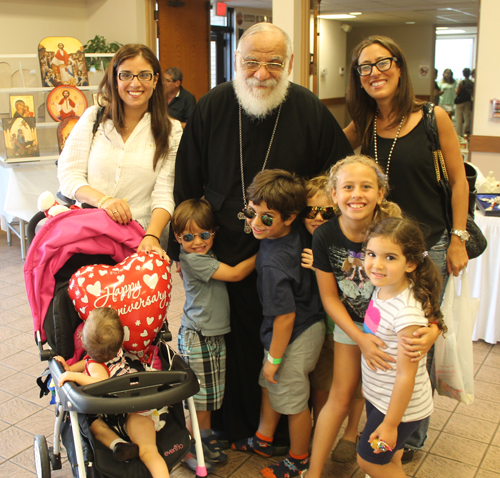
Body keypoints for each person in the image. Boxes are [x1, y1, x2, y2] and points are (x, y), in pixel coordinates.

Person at [172, 22, 353, 448]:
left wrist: (319, 230)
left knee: (281, 338)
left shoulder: (308, 108)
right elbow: (186, 181)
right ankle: (230, 426)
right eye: (251, 62)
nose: (262, 73)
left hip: (288, 252)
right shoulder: (213, 106)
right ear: (236, 61)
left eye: (274, 63)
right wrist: (181, 250)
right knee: (224, 337)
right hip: (222, 247)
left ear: (289, 64)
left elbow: (336, 178)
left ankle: (278, 431)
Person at [343, 35, 468, 462]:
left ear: (400, 66)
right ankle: (386, 412)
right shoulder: (363, 126)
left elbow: (458, 180)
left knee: (418, 338)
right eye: (364, 67)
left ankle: (410, 432)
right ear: (358, 78)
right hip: (383, 251)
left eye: (382, 63)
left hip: (429, 246)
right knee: (387, 335)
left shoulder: (433, 117)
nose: (374, 73)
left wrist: (457, 238)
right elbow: (331, 156)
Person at [304, 156, 438, 478]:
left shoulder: (392, 231)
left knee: (386, 390)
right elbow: (329, 296)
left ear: (380, 193)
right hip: (351, 324)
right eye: (347, 187)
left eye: (366, 186)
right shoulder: (324, 236)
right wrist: (360, 337)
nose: (356, 194)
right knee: (340, 393)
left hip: (395, 326)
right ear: (333, 195)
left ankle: (379, 454)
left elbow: (425, 285)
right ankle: (313, 472)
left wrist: (433, 330)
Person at [231, 170, 325, 478]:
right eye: (251, 212)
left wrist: (275, 357)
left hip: (294, 332)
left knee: (292, 397)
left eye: (266, 218)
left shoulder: (273, 264)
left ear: (290, 217)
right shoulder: (291, 232)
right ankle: (263, 439)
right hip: (297, 326)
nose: (256, 223)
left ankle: (299, 459)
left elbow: (285, 317)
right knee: (268, 383)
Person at [58, 44, 182, 258]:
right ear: (115, 79)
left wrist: (151, 236)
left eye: (144, 75)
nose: (135, 83)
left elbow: (164, 194)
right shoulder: (93, 118)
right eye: (125, 75)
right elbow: (69, 176)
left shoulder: (171, 130)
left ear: (155, 80)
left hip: (139, 241)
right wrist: (104, 201)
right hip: (89, 236)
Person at [170, 198, 256, 472]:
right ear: (177, 237)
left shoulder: (203, 255)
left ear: (214, 233)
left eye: (204, 235)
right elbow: (235, 274)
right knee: (200, 397)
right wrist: (265, 247)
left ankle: (204, 437)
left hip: (212, 333)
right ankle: (189, 443)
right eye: (188, 237)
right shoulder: (194, 259)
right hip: (199, 334)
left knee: (211, 394)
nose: (197, 242)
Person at [357, 217, 446, 478]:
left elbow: (407, 374)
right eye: (372, 254)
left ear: (411, 263)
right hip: (381, 398)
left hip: (399, 410)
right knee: (389, 461)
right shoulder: (384, 288)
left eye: (390, 258)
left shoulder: (406, 312)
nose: (377, 264)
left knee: (369, 462)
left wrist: (391, 424)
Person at [55, 307, 171, 478]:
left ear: (84, 343)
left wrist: (73, 376)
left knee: (96, 427)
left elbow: (100, 381)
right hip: (138, 407)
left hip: (115, 411)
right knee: (149, 451)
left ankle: (117, 444)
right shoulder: (116, 351)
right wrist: (71, 367)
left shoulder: (96, 366)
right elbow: (87, 363)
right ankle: (143, 462)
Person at [301, 174, 365, 464]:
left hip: (353, 325)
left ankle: (350, 434)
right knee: (325, 382)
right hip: (323, 327)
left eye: (325, 212)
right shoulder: (308, 240)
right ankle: (321, 431)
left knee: (355, 384)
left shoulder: (346, 237)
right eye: (309, 211)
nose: (317, 218)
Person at [455, 68, 474, 136]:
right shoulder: (472, 83)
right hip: (468, 101)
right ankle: (465, 132)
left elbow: (458, 92)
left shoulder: (462, 82)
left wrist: (455, 90)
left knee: (459, 118)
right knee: (467, 118)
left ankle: (459, 134)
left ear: (463, 74)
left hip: (460, 102)